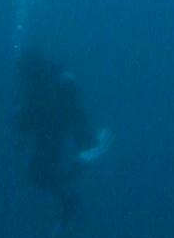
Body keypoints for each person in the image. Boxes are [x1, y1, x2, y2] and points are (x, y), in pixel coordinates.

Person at [13, 47, 110, 225]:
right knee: (43, 172)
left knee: (40, 173)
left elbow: (28, 119)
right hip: (56, 127)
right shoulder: (45, 78)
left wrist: (22, 126)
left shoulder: (36, 82)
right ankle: (69, 200)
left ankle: (71, 200)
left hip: (53, 129)